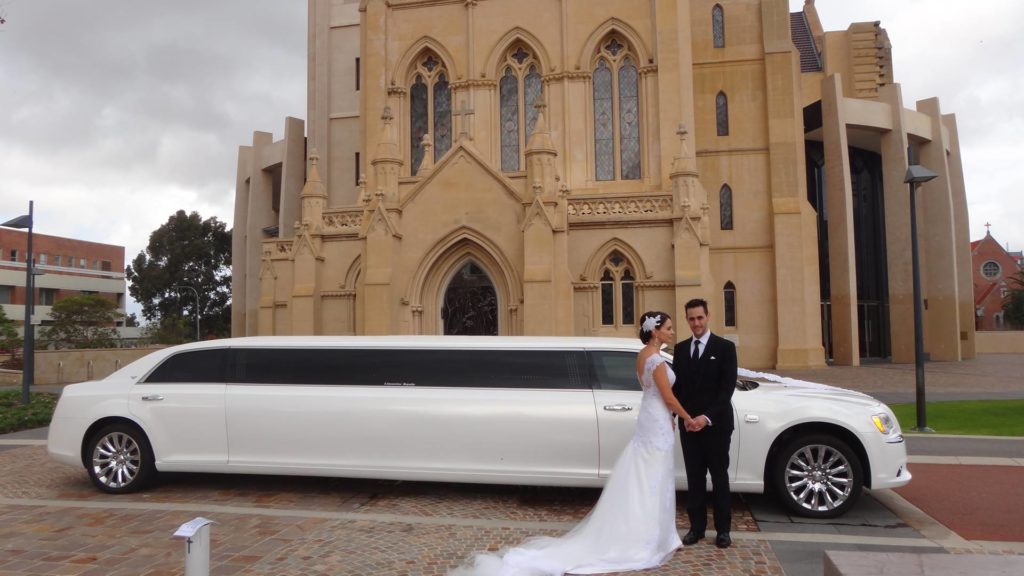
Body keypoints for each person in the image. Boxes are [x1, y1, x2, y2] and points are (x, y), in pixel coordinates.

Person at [450, 312, 693, 576]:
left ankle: (662, 536)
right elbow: (668, 398)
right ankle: (651, 539)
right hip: (656, 421)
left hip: (652, 419)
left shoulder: (641, 355)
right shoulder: (656, 360)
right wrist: (688, 417)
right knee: (654, 479)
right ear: (655, 331)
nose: (672, 331)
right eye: (668, 328)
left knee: (649, 478)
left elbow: (656, 395)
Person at [672, 298, 738, 549]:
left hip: (716, 425)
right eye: (691, 318)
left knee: (719, 477)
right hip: (689, 426)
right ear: (687, 319)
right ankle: (696, 528)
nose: (696, 323)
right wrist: (682, 417)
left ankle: (723, 530)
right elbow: (678, 389)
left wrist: (706, 417)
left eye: (700, 317)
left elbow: (726, 391)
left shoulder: (724, 348)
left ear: (707, 316)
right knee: (694, 478)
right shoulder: (679, 349)